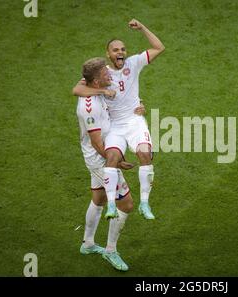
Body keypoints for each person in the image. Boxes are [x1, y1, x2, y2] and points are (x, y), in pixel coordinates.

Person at [73, 19, 165, 220]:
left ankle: (144, 203)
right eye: (115, 50)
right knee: (112, 158)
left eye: (123, 49)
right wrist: (103, 90)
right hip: (115, 125)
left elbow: (159, 47)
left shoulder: (133, 63)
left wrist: (142, 28)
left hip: (134, 121)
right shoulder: (102, 73)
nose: (120, 52)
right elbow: (77, 89)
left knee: (145, 154)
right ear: (108, 54)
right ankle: (112, 206)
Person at [76, 57, 145, 271]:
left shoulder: (94, 88)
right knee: (127, 205)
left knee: (98, 198)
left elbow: (78, 86)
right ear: (96, 81)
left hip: (98, 157)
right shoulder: (89, 109)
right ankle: (110, 250)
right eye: (106, 74)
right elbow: (97, 143)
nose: (110, 75)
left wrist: (137, 107)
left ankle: (87, 244)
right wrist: (116, 162)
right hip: (100, 160)